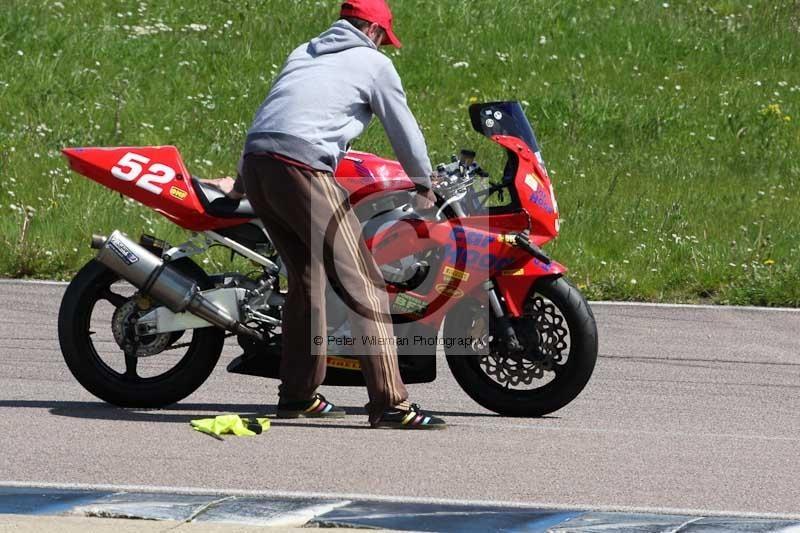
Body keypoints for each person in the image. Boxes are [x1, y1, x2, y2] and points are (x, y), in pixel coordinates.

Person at [235, 0, 446, 429]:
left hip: (258, 165)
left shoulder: (304, 52)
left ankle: (296, 395)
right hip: (302, 168)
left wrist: (241, 180)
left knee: (307, 281)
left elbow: (275, 111)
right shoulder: (373, 64)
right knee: (364, 282)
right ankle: (391, 403)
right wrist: (425, 182)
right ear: (372, 30)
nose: (384, 46)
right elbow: (402, 130)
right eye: (384, 38)